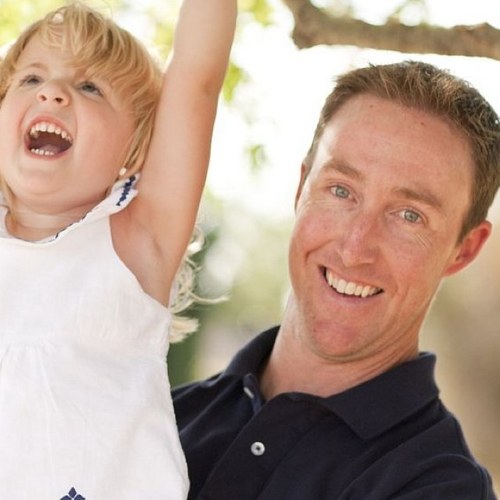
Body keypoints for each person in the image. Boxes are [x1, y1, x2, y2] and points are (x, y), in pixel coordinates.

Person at [173, 60, 500, 499]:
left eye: (409, 216)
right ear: (301, 187)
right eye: (342, 190)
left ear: (464, 249)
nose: (355, 248)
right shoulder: (162, 415)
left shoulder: (438, 487)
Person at [0, 0, 235, 498]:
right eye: (30, 79)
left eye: (89, 87)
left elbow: (196, 81)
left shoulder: (134, 244)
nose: (53, 92)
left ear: (134, 151)